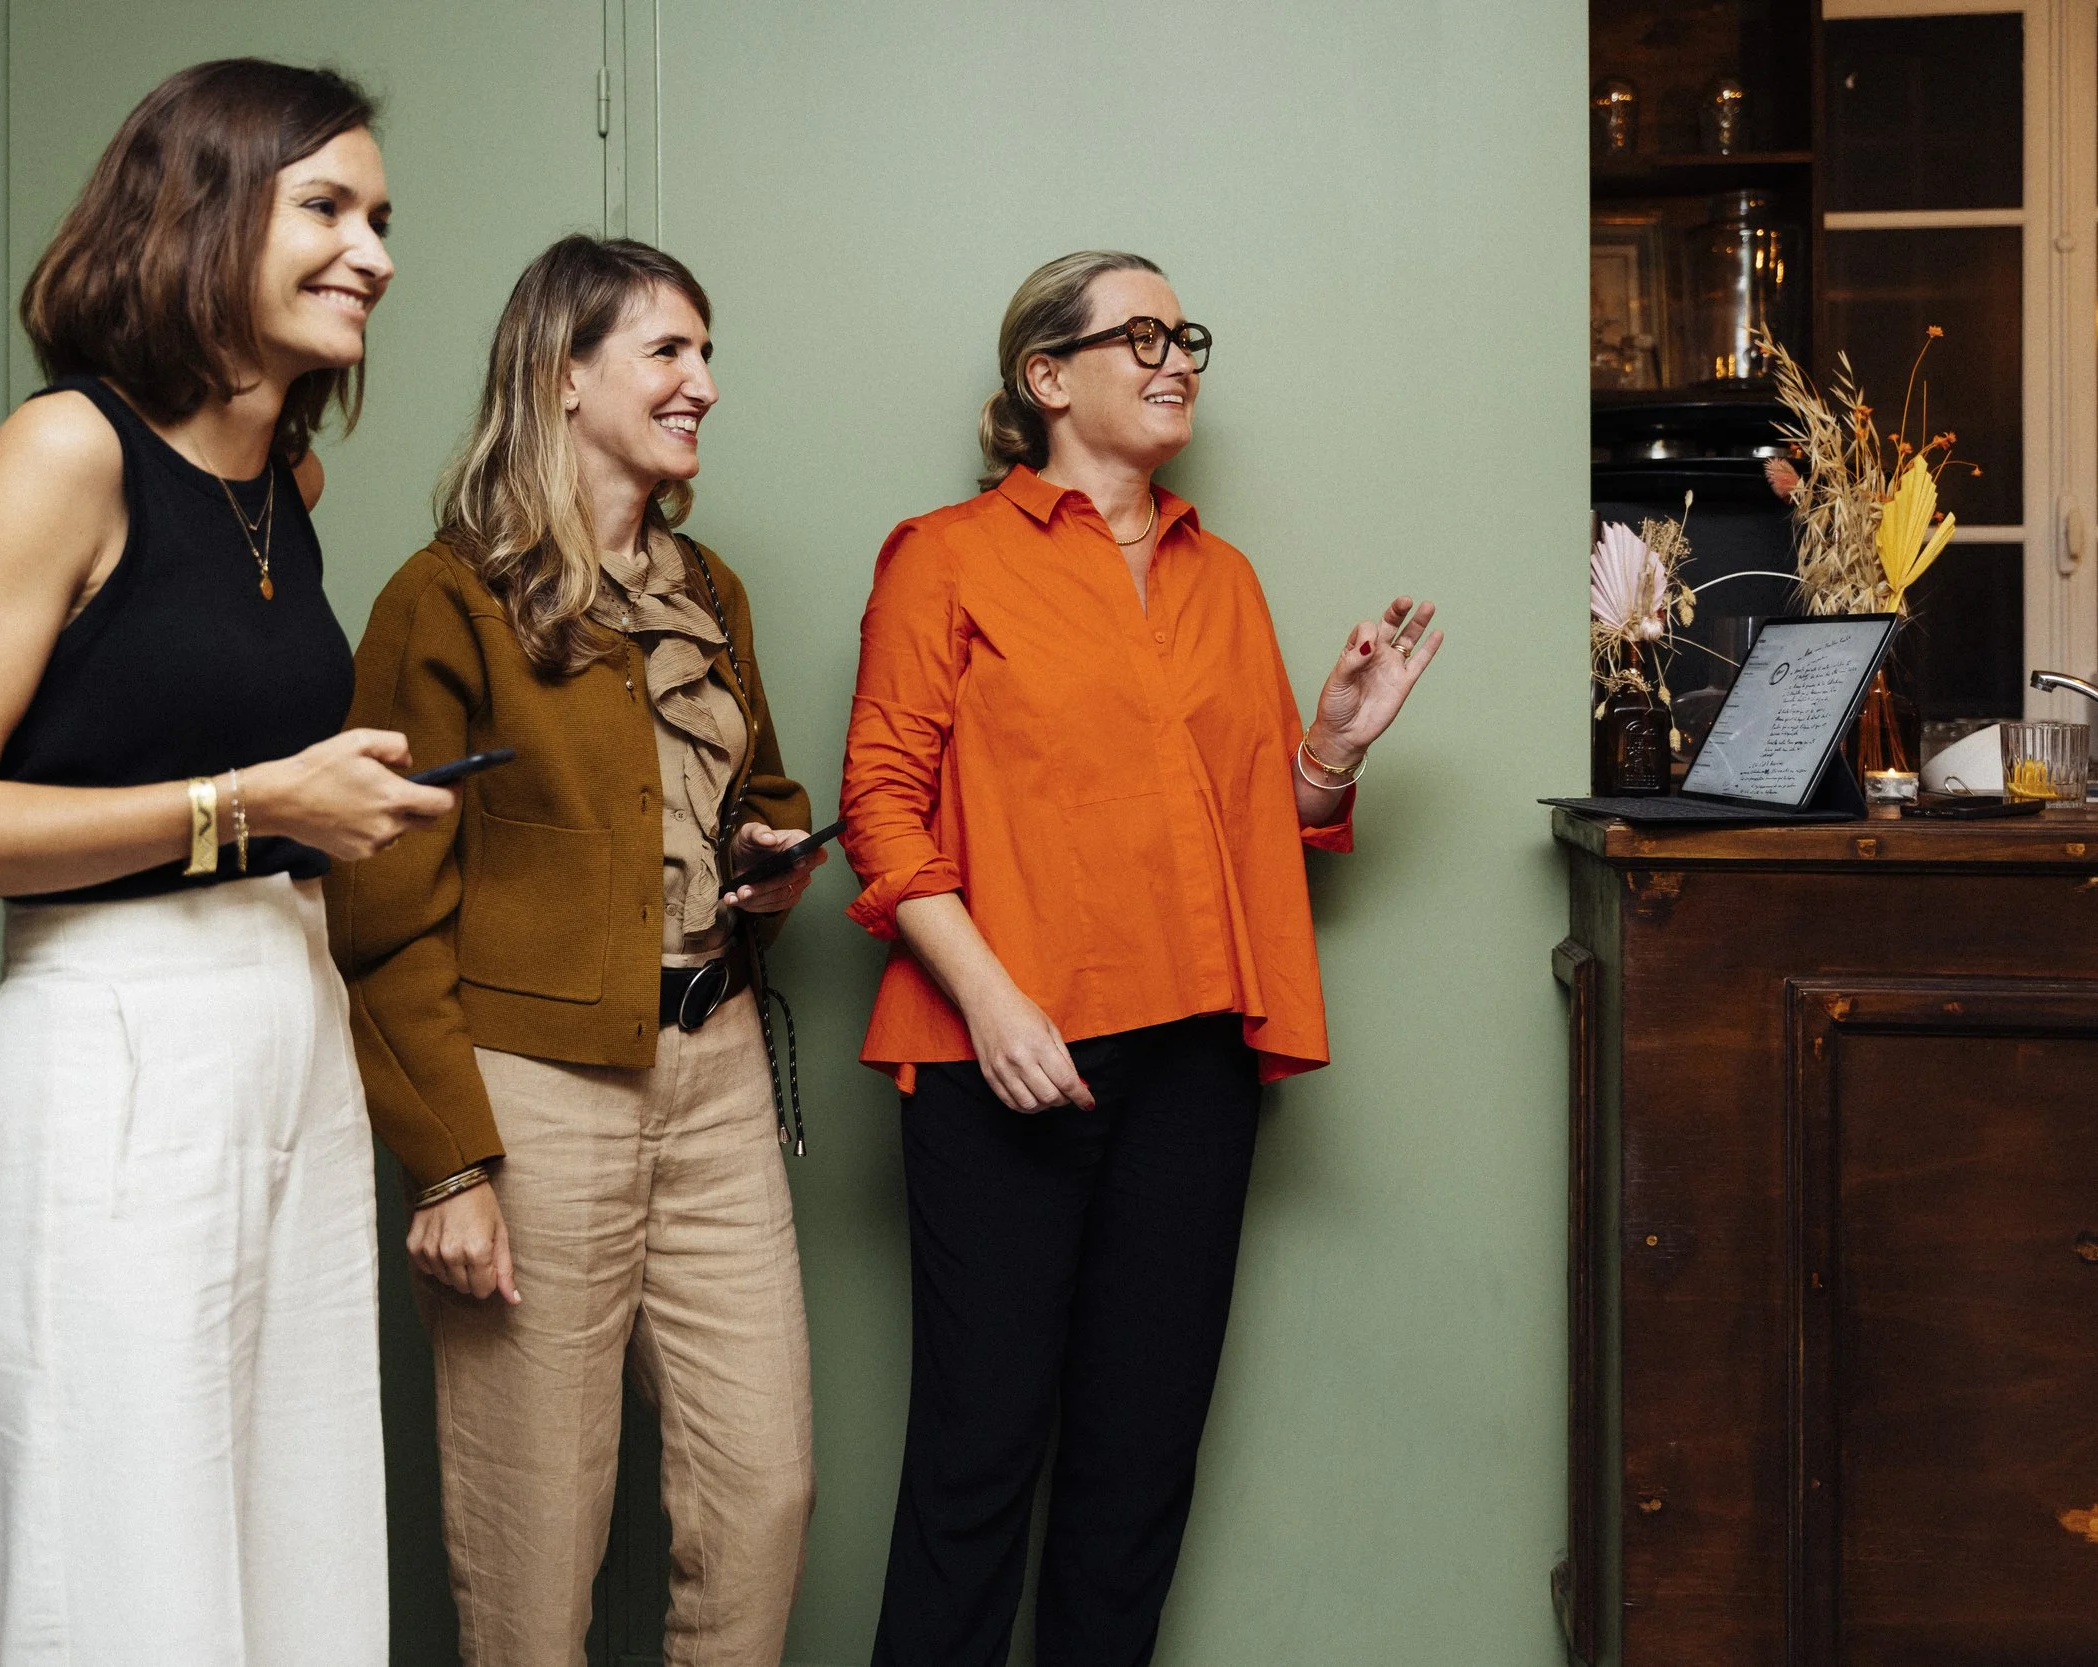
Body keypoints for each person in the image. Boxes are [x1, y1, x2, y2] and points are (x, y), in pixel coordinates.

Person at [0, 60, 451, 1665]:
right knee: (124, 1576)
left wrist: (327, 811)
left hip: (292, 1031)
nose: (375, 252)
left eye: (381, 217)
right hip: (118, 1046)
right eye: (325, 206)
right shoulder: (68, 451)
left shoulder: (290, 490)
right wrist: (254, 801)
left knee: (304, 1559)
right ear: (202, 216)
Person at [843, 250, 1443, 1667]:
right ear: (1047, 378)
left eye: (1190, 338)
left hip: (1193, 1068)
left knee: (1135, 1478)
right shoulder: (945, 556)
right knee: (974, 1467)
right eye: (1144, 334)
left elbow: (1243, 827)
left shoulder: (1219, 578)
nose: (1178, 359)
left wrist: (1337, 744)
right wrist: (988, 997)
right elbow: (878, 806)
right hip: (1006, 1054)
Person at [327, 234, 820, 1666]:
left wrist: (764, 859)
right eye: (669, 351)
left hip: (717, 1068)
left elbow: (760, 788)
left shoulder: (708, 589)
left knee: (763, 1489)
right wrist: (453, 1164)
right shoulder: (445, 598)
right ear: (564, 372)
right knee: (533, 1536)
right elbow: (381, 906)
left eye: (707, 353)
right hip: (531, 1095)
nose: (705, 387)